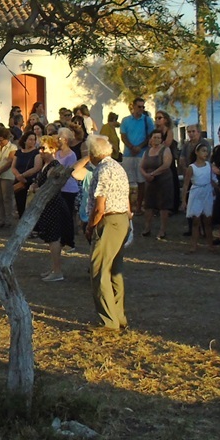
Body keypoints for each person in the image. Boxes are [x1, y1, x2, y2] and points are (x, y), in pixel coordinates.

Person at [76, 134, 130, 330]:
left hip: (108, 220)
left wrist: (90, 226)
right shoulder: (117, 167)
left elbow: (100, 206)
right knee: (115, 269)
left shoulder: (103, 170)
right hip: (122, 218)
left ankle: (109, 320)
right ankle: (119, 315)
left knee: (99, 269)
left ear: (92, 153)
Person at [36, 131, 78, 282]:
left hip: (53, 204)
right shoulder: (46, 164)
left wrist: (36, 189)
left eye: (44, 148)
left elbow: (51, 187)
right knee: (51, 238)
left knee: (54, 238)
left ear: (52, 149)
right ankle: (54, 268)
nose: (41, 151)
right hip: (48, 204)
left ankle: (57, 270)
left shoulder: (54, 166)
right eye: (40, 148)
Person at [138, 129, 176, 239]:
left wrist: (153, 174)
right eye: (155, 137)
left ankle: (162, 230)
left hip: (163, 180)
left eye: (159, 138)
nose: (157, 140)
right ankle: (147, 228)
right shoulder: (147, 152)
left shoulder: (166, 150)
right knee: (148, 205)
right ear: (150, 139)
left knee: (163, 206)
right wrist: (145, 175)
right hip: (150, 181)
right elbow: (141, 166)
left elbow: (166, 165)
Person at [119, 97, 153, 212]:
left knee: (141, 181)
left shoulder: (147, 120)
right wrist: (131, 147)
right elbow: (123, 136)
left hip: (141, 154)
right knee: (127, 181)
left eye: (143, 107)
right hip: (128, 154)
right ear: (133, 106)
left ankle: (138, 206)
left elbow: (150, 136)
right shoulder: (125, 120)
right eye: (139, 107)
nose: (141, 109)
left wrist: (139, 147)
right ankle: (128, 206)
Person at [182, 142, 215, 249]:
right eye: (203, 151)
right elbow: (186, 184)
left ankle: (210, 245)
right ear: (197, 152)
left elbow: (212, 179)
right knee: (196, 221)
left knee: (208, 220)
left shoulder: (209, 165)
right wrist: (184, 200)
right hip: (196, 193)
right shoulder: (192, 167)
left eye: (207, 151)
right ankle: (193, 245)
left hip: (207, 192)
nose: (206, 153)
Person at [11, 130, 43, 219]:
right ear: (25, 140)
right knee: (20, 204)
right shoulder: (18, 152)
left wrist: (23, 175)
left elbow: (37, 167)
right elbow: (13, 167)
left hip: (30, 181)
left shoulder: (36, 153)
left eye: (34, 140)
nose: (32, 142)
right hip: (19, 181)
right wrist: (18, 176)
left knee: (29, 205)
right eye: (30, 139)